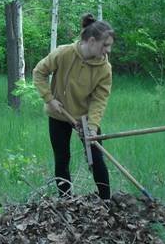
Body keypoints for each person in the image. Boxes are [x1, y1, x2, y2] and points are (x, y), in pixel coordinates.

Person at [33, 14, 114, 201]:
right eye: (105, 45)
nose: (108, 50)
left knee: (96, 160)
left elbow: (99, 99)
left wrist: (92, 127)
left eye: (110, 46)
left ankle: (106, 202)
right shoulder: (64, 53)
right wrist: (49, 99)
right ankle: (66, 201)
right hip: (59, 114)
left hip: (86, 119)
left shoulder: (104, 68)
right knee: (62, 159)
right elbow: (39, 72)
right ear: (92, 41)